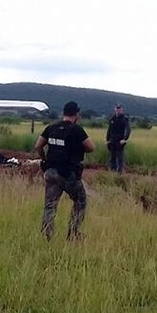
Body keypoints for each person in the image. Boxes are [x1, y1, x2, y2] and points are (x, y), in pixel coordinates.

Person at [35, 101, 95, 241]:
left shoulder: (51, 128)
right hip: (68, 174)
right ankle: (73, 233)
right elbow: (91, 147)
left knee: (50, 205)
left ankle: (47, 236)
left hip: (51, 172)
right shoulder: (76, 130)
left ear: (64, 113)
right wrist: (79, 148)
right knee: (80, 200)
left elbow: (38, 146)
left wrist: (44, 160)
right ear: (76, 114)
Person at [105, 103, 131, 173]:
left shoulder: (124, 119)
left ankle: (119, 174)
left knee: (120, 158)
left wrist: (125, 139)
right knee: (112, 158)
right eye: (117, 108)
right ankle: (112, 173)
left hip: (120, 141)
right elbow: (109, 130)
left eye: (119, 109)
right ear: (115, 109)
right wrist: (107, 140)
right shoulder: (112, 119)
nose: (118, 110)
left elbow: (128, 130)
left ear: (122, 110)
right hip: (112, 141)